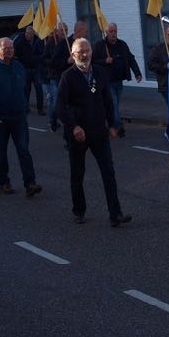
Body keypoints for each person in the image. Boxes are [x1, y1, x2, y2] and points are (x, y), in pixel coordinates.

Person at [57, 37, 131, 227]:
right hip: (78, 135)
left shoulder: (99, 72)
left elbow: (107, 100)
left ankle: (115, 214)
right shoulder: (68, 76)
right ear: (73, 55)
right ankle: (79, 210)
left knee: (108, 172)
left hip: (99, 131)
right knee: (77, 173)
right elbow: (61, 107)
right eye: (80, 51)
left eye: (87, 50)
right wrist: (74, 126)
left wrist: (113, 124)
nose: (85, 54)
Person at [0, 38, 42, 196]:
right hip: (0, 118)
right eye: (5, 48)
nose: (9, 50)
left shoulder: (18, 66)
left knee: (24, 150)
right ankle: (4, 182)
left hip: (19, 116)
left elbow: (23, 89)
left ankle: (30, 183)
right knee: (1, 152)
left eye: (11, 47)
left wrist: (25, 106)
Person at [92, 22, 143, 137]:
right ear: (106, 32)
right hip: (106, 81)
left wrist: (137, 73)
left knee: (114, 104)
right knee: (113, 104)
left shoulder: (122, 45)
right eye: (111, 32)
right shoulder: (100, 45)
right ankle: (119, 127)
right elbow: (92, 61)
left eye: (115, 31)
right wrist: (104, 60)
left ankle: (108, 122)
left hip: (118, 80)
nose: (113, 34)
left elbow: (130, 58)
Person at [41, 22, 70, 133]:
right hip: (55, 76)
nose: (64, 32)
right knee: (55, 100)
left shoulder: (68, 42)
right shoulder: (51, 42)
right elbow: (44, 59)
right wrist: (54, 60)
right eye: (62, 30)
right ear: (57, 31)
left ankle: (66, 120)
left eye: (66, 30)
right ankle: (53, 120)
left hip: (67, 75)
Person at [147, 24, 169, 140]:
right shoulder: (159, 49)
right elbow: (151, 65)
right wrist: (165, 66)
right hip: (165, 85)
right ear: (165, 35)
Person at [13, 25, 45, 114]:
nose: (28, 35)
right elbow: (15, 53)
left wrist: (40, 38)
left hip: (36, 68)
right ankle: (26, 107)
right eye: (26, 33)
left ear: (33, 34)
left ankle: (40, 109)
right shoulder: (20, 40)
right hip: (25, 68)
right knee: (26, 90)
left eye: (30, 34)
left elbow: (43, 51)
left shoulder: (37, 41)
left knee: (39, 89)